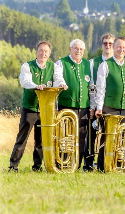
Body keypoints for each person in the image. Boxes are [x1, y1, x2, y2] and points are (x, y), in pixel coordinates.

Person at [8, 41, 65, 172]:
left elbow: (58, 78)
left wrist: (62, 84)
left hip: (46, 110)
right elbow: (25, 81)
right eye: (41, 50)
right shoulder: (27, 66)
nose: (43, 53)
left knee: (40, 140)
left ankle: (37, 167)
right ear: (36, 52)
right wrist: (36, 86)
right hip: (30, 108)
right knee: (22, 138)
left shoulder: (54, 67)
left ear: (49, 53)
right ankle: (13, 166)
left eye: (46, 51)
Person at [94, 37, 125, 171]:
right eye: (119, 47)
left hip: (124, 107)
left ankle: (118, 165)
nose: (121, 50)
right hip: (109, 107)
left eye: (124, 48)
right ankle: (102, 166)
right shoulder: (105, 65)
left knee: (122, 138)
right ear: (114, 48)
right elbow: (100, 88)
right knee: (107, 137)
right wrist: (99, 107)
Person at [56, 39, 91, 169]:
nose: (78, 51)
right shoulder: (61, 62)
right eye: (76, 48)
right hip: (66, 105)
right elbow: (57, 79)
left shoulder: (88, 64)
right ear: (70, 49)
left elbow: (91, 86)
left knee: (81, 138)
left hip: (83, 107)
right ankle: (62, 164)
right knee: (64, 137)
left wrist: (92, 106)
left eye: (81, 49)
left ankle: (76, 165)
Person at [86, 33, 115, 171]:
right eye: (105, 43)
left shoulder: (119, 63)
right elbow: (92, 87)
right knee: (91, 135)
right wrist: (94, 106)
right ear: (101, 45)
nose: (108, 46)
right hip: (97, 105)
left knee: (108, 135)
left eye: (110, 43)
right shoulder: (93, 62)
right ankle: (88, 164)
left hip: (112, 105)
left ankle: (105, 163)